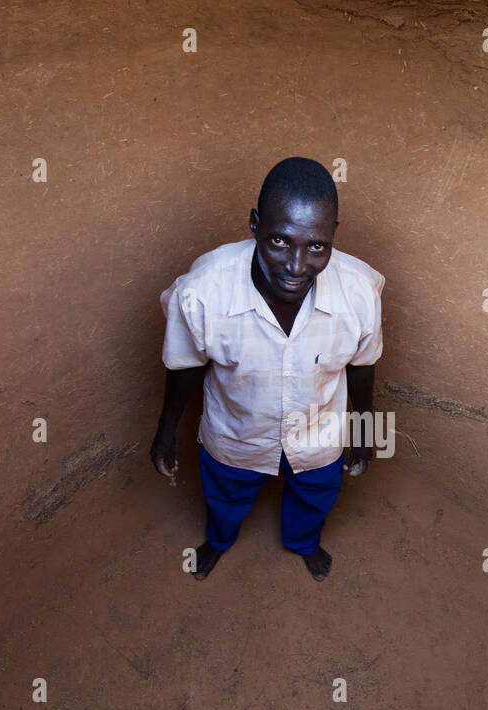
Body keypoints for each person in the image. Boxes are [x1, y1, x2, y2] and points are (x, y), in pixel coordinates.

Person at [149, 156, 385, 582]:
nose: (296, 267)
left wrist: (366, 435)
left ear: (333, 236)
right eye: (279, 241)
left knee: (317, 495)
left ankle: (304, 543)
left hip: (320, 436)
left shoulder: (360, 291)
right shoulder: (203, 291)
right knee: (224, 493)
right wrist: (165, 432)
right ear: (254, 225)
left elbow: (363, 368)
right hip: (236, 434)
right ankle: (219, 540)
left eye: (317, 246)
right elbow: (184, 368)